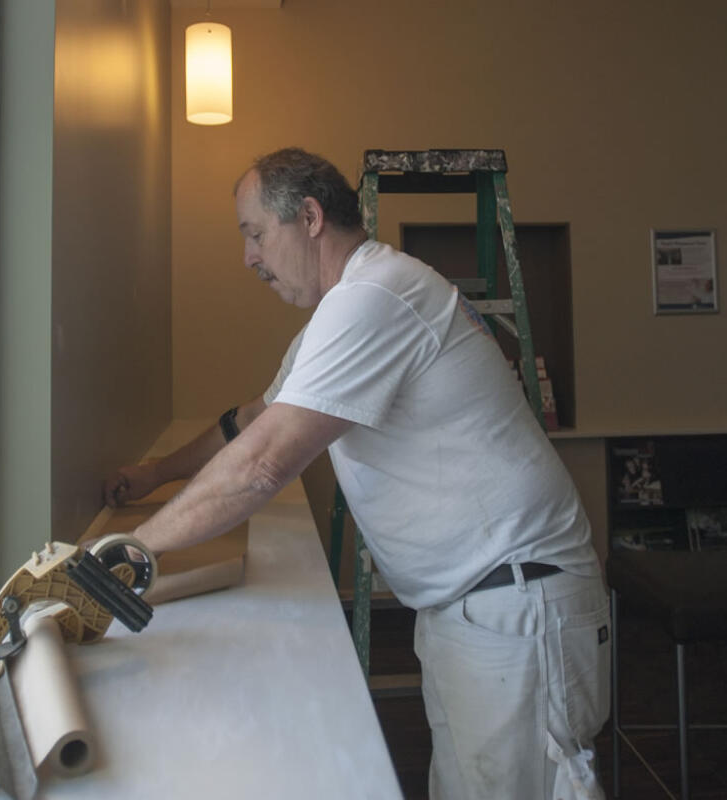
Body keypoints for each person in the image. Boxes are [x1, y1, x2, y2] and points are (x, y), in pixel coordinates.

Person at [102, 148, 610, 800]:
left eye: (255, 234)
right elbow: (254, 420)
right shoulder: (347, 307)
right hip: (473, 606)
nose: (249, 259)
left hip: (516, 607)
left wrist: (130, 552)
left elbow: (262, 464)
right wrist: (156, 475)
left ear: (309, 216)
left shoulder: (375, 296)